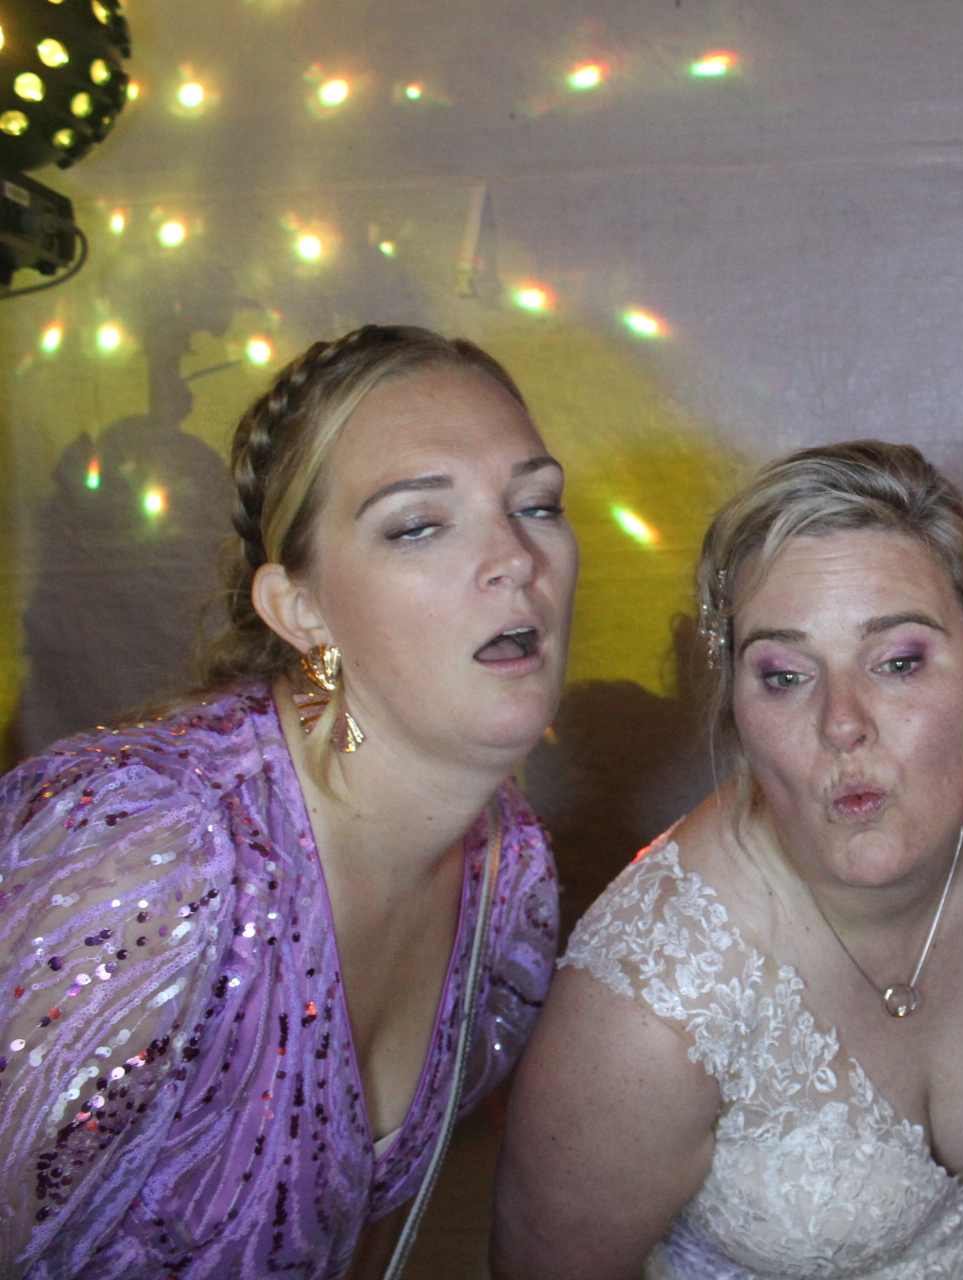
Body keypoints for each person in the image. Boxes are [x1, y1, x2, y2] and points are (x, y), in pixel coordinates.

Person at [0, 325, 576, 1278]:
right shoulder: (150, 857)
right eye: (418, 524)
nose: (516, 557)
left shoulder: (509, 881)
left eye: (537, 504)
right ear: (299, 609)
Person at [493, 442, 963, 1279]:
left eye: (898, 662)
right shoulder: (646, 1013)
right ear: (737, 711)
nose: (841, 723)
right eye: (784, 676)